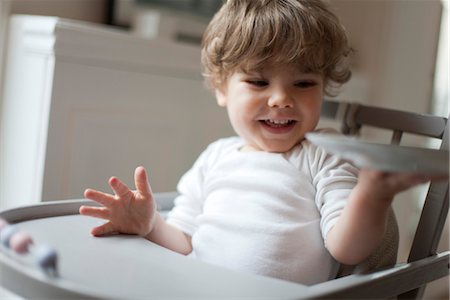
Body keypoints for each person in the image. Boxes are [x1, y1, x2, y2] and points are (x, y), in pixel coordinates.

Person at [79, 0, 437, 285]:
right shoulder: (215, 156)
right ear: (222, 88)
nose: (281, 98)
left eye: (303, 83)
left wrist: (372, 196)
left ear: (323, 87)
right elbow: (185, 242)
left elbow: (348, 249)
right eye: (258, 82)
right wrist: (150, 225)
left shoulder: (325, 154)